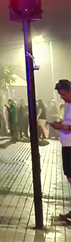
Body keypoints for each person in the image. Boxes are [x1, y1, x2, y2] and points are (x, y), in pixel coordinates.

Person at [50, 80, 71, 222]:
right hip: (66, 146)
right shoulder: (68, 105)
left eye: (63, 94)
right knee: (70, 178)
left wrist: (62, 127)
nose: (62, 97)